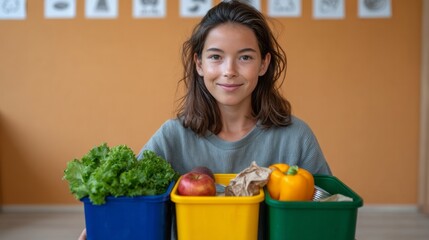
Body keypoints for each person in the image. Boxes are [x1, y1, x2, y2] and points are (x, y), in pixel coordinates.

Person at [78, 1, 331, 239]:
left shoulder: (296, 137)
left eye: (245, 57)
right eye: (215, 57)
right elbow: (129, 199)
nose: (229, 70)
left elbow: (329, 210)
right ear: (199, 64)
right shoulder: (172, 137)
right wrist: (104, 223)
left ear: (264, 63)